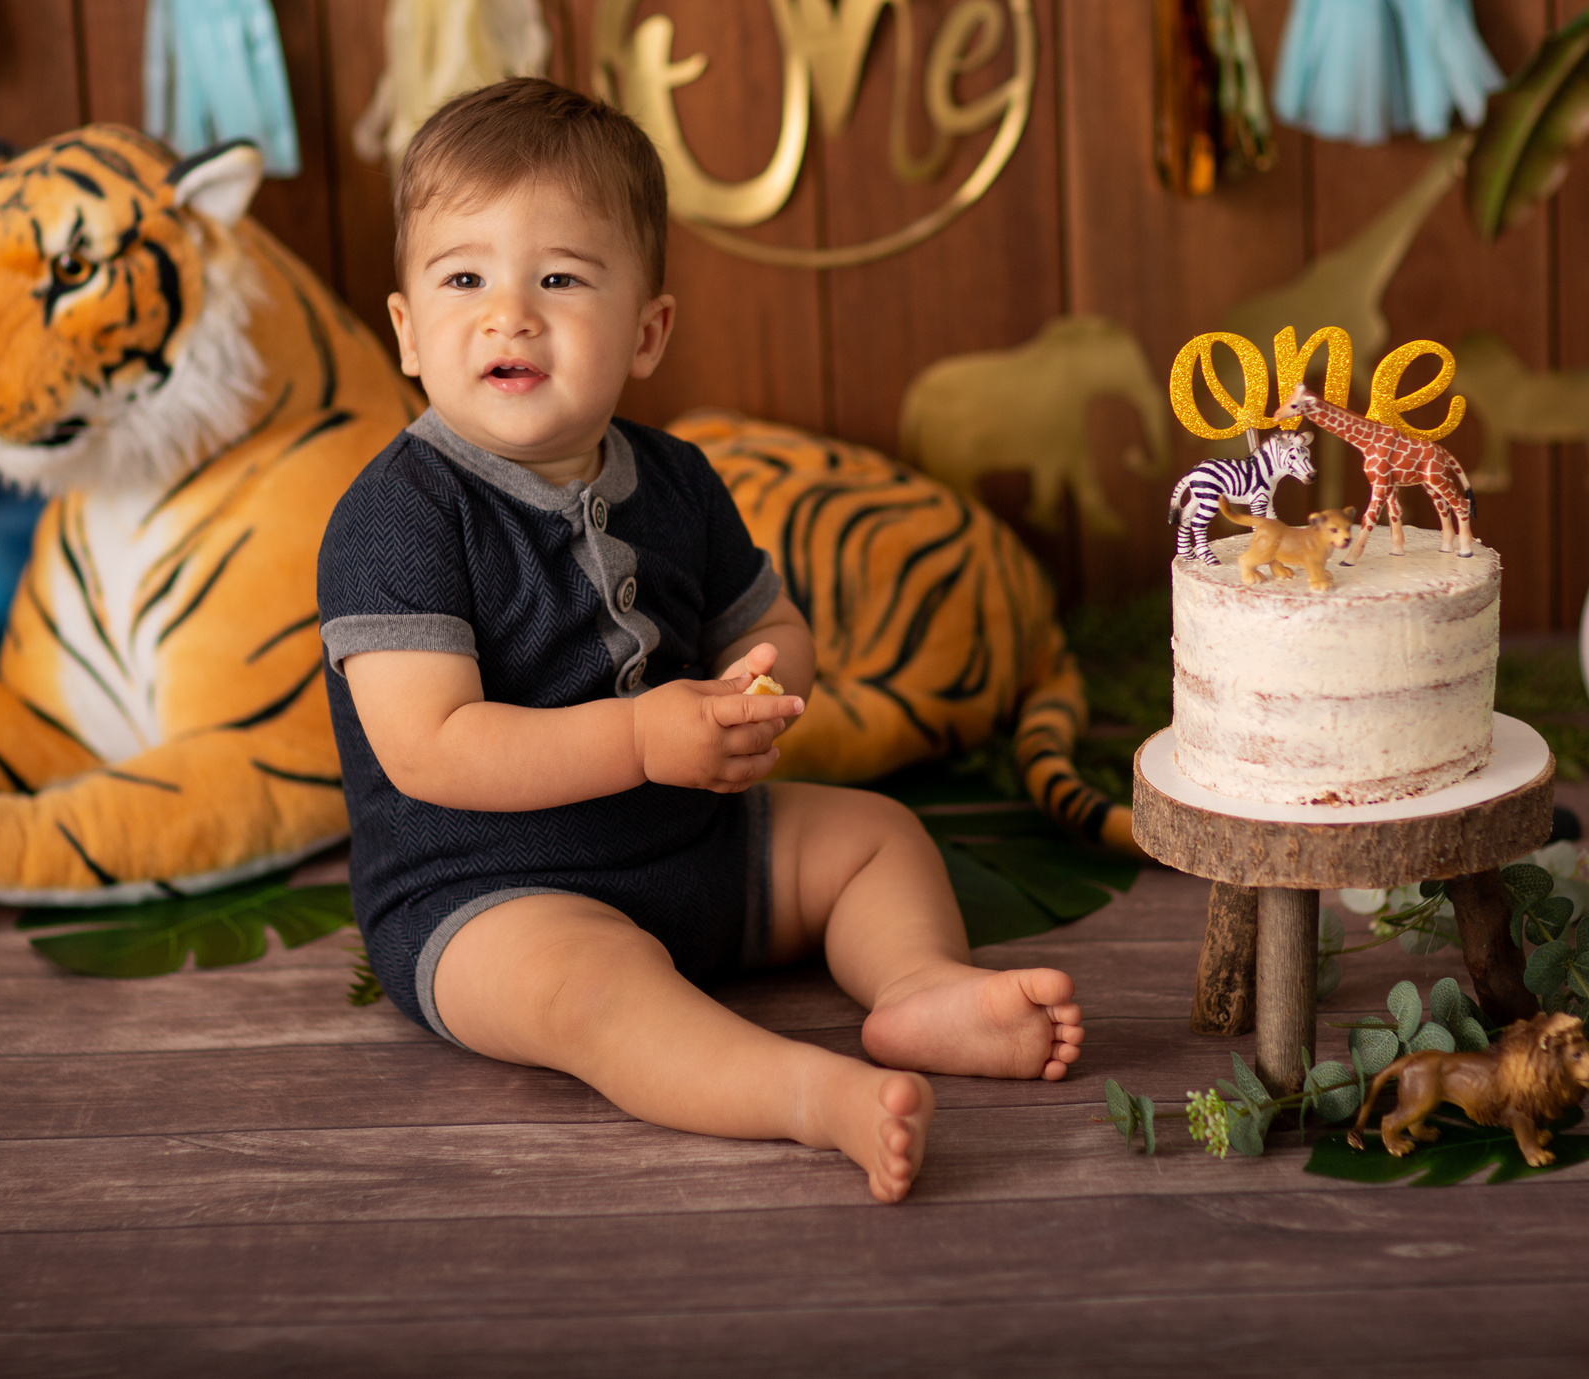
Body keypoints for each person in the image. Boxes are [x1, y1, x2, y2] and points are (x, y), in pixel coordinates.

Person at [318, 78, 1084, 1202]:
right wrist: (637, 740)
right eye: (465, 277)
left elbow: (765, 626)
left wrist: (762, 690)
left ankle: (917, 986)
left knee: (870, 836)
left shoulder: (674, 477)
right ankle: (805, 1097)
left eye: (562, 279)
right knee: (597, 992)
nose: (510, 313)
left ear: (647, 330)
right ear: (406, 329)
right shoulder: (401, 513)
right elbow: (430, 747)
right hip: (487, 900)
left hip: (695, 847)